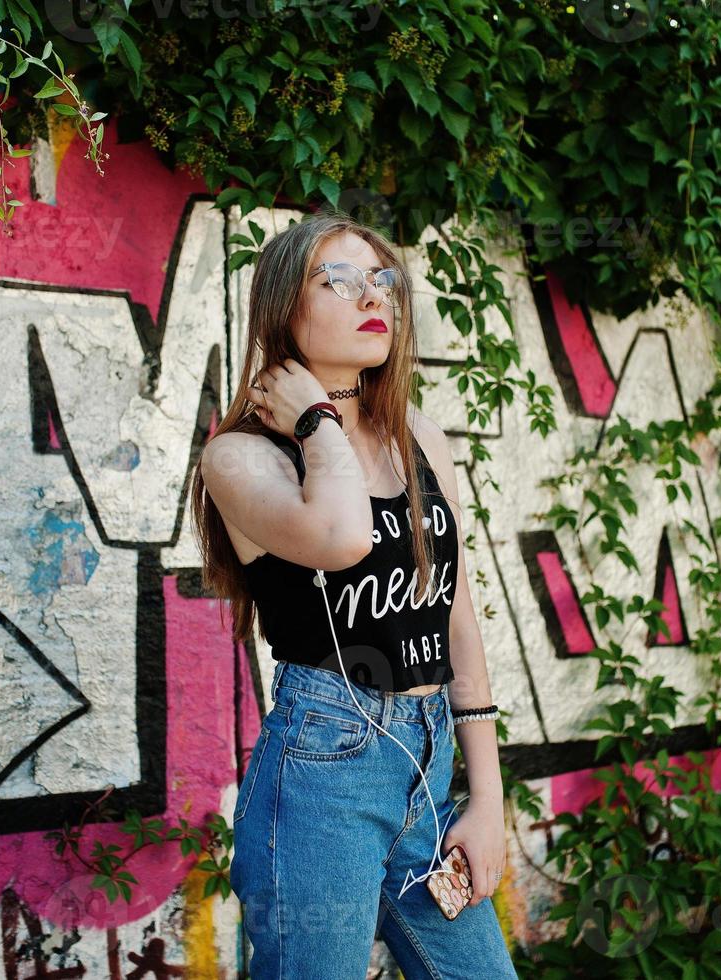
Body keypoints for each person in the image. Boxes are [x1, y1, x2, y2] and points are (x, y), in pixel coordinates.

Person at [192, 211, 518, 979]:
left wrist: (486, 796)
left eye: (381, 279)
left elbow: (455, 616)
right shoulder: (240, 456)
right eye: (335, 279)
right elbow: (342, 538)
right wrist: (314, 418)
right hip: (324, 766)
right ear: (284, 307)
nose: (370, 295)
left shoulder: (416, 434)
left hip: (430, 757)